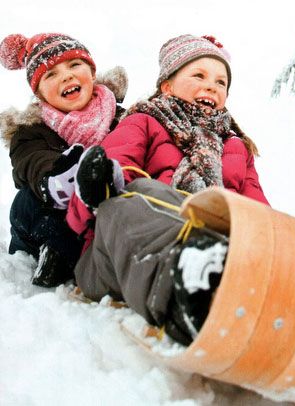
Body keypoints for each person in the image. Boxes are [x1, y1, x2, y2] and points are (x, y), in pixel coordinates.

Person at [69, 34, 269, 345]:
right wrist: (99, 184)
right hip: (113, 256)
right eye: (199, 75)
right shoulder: (144, 121)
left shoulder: (235, 147)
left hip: (217, 249)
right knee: (140, 192)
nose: (211, 86)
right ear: (167, 85)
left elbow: (257, 207)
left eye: (221, 82)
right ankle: (186, 292)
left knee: (243, 221)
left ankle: (231, 279)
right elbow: (114, 167)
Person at [0, 33, 128, 287]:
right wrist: (58, 176)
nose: (66, 76)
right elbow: (32, 161)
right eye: (51, 74)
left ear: (92, 73)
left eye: (74, 65)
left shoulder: (123, 120)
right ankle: (54, 253)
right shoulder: (31, 130)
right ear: (40, 94)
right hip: (50, 215)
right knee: (27, 200)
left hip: (102, 213)